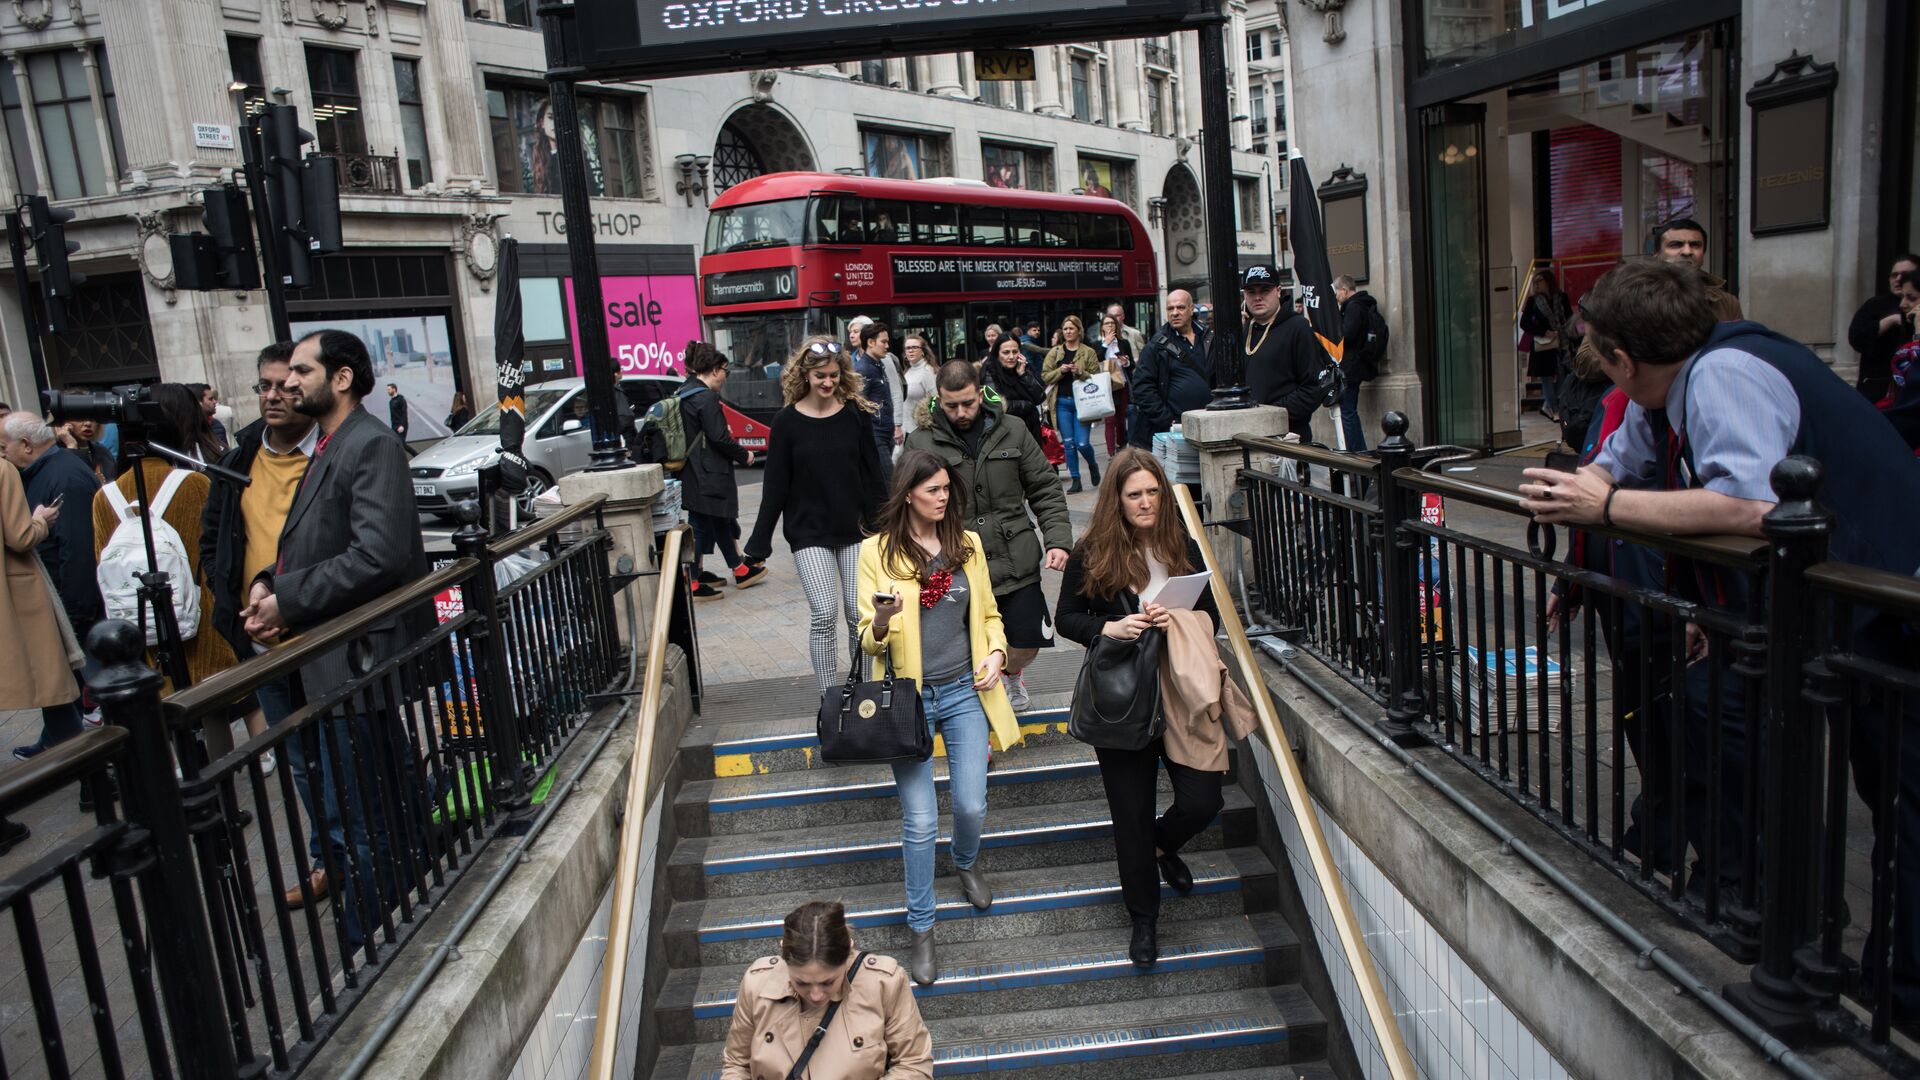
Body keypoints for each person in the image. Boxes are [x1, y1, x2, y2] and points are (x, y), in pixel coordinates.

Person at [1520, 258, 1920, 1022]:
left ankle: (1894, 1000)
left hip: (1890, 609)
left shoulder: (1723, 376)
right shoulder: (1667, 386)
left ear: (1624, 358)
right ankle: (1856, 972)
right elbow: (1619, 462)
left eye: (1599, 351)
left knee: (1904, 803)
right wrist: (1579, 490)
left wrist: (1606, 512)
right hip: (1844, 617)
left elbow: (1748, 504)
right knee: (1867, 790)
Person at [242, 330, 428, 940]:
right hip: (335, 661)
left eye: (301, 370)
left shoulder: (369, 444)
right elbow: (314, 536)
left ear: (341, 378)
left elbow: (376, 554)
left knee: (367, 812)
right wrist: (270, 581)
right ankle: (389, 911)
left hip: (358, 661)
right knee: (370, 803)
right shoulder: (330, 444)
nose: (289, 382)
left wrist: (286, 599)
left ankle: (369, 939)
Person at [1055, 448, 1224, 968]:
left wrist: (1182, 620)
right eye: (1135, 495)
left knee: (1203, 798)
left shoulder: (1182, 545)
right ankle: (1144, 920)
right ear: (1117, 501)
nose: (1146, 502)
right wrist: (1108, 627)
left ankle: (1159, 846)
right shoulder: (1093, 552)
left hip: (1177, 693)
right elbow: (1067, 618)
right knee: (1130, 816)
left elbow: (1211, 615)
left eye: (1153, 492)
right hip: (1122, 699)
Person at [858, 449, 1018, 985]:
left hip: (965, 691)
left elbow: (989, 613)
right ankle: (922, 927)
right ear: (908, 495)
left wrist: (996, 653)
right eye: (933, 490)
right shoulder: (876, 552)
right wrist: (881, 619)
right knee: (921, 820)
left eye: (947, 488)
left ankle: (967, 859)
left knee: (971, 803)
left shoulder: (965, 544)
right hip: (910, 702)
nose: (944, 497)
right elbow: (865, 638)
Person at [203, 344, 331, 898]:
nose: (274, 395)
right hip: (267, 643)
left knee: (345, 749)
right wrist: (238, 605)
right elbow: (215, 539)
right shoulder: (238, 460)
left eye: (286, 384)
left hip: (327, 633)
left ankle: (371, 852)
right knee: (301, 761)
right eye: (264, 386)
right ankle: (328, 860)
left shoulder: (331, 453)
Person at [906, 361, 1071, 711]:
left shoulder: (1012, 429)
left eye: (968, 402)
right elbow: (908, 502)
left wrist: (1057, 540)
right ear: (938, 399)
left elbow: (1044, 487)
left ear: (980, 394)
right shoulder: (921, 440)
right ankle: (977, 694)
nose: (961, 412)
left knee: (1028, 639)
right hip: (955, 562)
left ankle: (1012, 674)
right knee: (965, 641)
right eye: (951, 405)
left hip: (1015, 556)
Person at [745, 338, 885, 696]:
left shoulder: (855, 414)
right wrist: (758, 542)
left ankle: (861, 693)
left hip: (856, 530)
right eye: (820, 375)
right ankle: (829, 698)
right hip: (808, 533)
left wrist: (886, 528)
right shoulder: (787, 422)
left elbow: (873, 476)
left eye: (834, 375)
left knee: (859, 616)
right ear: (805, 375)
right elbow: (775, 486)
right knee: (824, 614)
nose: (828, 382)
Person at [91, 384, 237, 698]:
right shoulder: (193, 483)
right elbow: (215, 555)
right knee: (219, 707)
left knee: (164, 715)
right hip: (200, 621)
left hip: (139, 627)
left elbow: (101, 563)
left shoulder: (104, 497)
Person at [720, 901, 932, 1079]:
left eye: (828, 982)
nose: (816, 995)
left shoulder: (883, 983)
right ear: (783, 953)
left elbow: (913, 1064)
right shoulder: (757, 984)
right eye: (801, 983)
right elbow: (736, 1065)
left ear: (848, 951)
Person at [5, 411, 100, 761]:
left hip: (71, 600)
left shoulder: (64, 475)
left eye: (5, 447)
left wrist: (75, 609)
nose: (4, 454)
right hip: (59, 599)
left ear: (26, 445)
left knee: (72, 682)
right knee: (60, 684)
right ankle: (55, 740)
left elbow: (77, 550)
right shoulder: (42, 471)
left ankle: (87, 763)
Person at [1, 456, 79, 767]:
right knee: (51, 682)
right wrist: (41, 521)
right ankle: (92, 776)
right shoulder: (3, 470)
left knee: (53, 688)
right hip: (15, 597)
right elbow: (20, 537)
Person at [678, 342, 766, 601]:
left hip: (694, 470)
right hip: (709, 472)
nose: (726, 376)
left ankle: (734, 570)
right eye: (725, 371)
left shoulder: (685, 391)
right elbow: (719, 437)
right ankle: (694, 581)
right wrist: (745, 454)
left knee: (714, 521)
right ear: (715, 370)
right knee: (702, 525)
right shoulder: (705, 397)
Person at [1243, 264, 1327, 440]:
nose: (1257, 297)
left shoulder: (1298, 328)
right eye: (1251, 291)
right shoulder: (1242, 332)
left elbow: (1313, 388)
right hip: (1248, 435)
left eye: (1265, 290)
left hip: (1288, 437)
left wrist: (1271, 412)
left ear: (1278, 291)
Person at [1131, 290, 1211, 449]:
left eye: (1180, 307)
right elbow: (1142, 388)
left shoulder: (1209, 337)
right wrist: (1167, 420)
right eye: (1170, 308)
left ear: (1191, 308)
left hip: (1207, 426)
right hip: (1173, 432)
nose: (1175, 313)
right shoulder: (1156, 345)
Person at [1041, 315, 1102, 493]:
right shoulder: (1055, 352)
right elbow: (1045, 375)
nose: (1068, 332)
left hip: (1083, 403)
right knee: (1068, 443)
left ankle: (1092, 464)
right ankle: (1076, 479)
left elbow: (1095, 378)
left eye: (1071, 328)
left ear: (1079, 331)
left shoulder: (1088, 352)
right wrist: (1060, 370)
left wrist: (1080, 372)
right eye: (1065, 329)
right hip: (1061, 403)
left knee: (1082, 443)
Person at [1849, 253, 1920, 402]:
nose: (1898, 279)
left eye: (1905, 274)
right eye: (1894, 275)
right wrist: (1890, 321)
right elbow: (1857, 338)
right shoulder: (1875, 305)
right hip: (1877, 387)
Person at [1652, 216, 1741, 321]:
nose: (1687, 251)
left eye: (1695, 245)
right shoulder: (1636, 296)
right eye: (1676, 245)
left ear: (1703, 254)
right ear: (1656, 254)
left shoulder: (1727, 303)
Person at [1333, 274, 1385, 452]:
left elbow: (1347, 335)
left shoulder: (1354, 307)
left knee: (1347, 411)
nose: (1336, 297)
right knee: (1348, 410)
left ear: (1345, 290)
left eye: (1337, 292)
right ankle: (1357, 450)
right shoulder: (1363, 304)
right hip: (1356, 365)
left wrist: (1336, 323)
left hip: (1351, 367)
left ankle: (1357, 452)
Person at [1521, 270, 1573, 422]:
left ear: (1548, 281)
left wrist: (1565, 331)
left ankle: (1547, 404)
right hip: (1543, 346)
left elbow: (1569, 317)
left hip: (1562, 343)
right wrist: (1544, 331)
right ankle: (1554, 408)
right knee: (1546, 378)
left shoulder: (1561, 298)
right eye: (1535, 282)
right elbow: (1524, 323)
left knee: (1564, 375)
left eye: (1540, 281)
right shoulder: (1533, 301)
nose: (1537, 284)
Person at [853, 321, 900, 489]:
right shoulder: (864, 369)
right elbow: (858, 405)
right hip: (875, 435)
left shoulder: (878, 365)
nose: (887, 346)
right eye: (884, 342)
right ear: (870, 343)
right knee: (891, 484)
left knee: (887, 483)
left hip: (885, 433)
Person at [979, 335, 1048, 445]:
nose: (1011, 357)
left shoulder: (1022, 368)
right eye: (1006, 352)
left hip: (1031, 431)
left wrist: (1023, 375)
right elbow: (997, 404)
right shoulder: (990, 371)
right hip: (1006, 434)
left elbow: (1040, 397)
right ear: (997, 354)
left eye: (1015, 352)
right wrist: (1028, 405)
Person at [1097, 313, 1134, 455]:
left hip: (1121, 384)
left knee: (1120, 418)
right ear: (1102, 327)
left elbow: (1132, 365)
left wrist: (1126, 362)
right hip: (1105, 386)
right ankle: (1111, 452)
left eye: (1112, 324)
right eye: (1107, 324)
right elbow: (1096, 360)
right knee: (1109, 419)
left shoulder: (1123, 343)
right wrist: (1105, 344)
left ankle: (1121, 445)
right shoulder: (1097, 343)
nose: (1110, 326)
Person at [899, 333, 937, 438]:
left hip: (921, 431)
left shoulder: (927, 371)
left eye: (914, 347)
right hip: (905, 429)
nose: (910, 350)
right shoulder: (907, 371)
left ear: (923, 351)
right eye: (907, 348)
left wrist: (928, 423)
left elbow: (935, 399)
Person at [189, 383, 231, 454]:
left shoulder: (216, 424)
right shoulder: (188, 430)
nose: (215, 402)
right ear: (198, 403)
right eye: (210, 399)